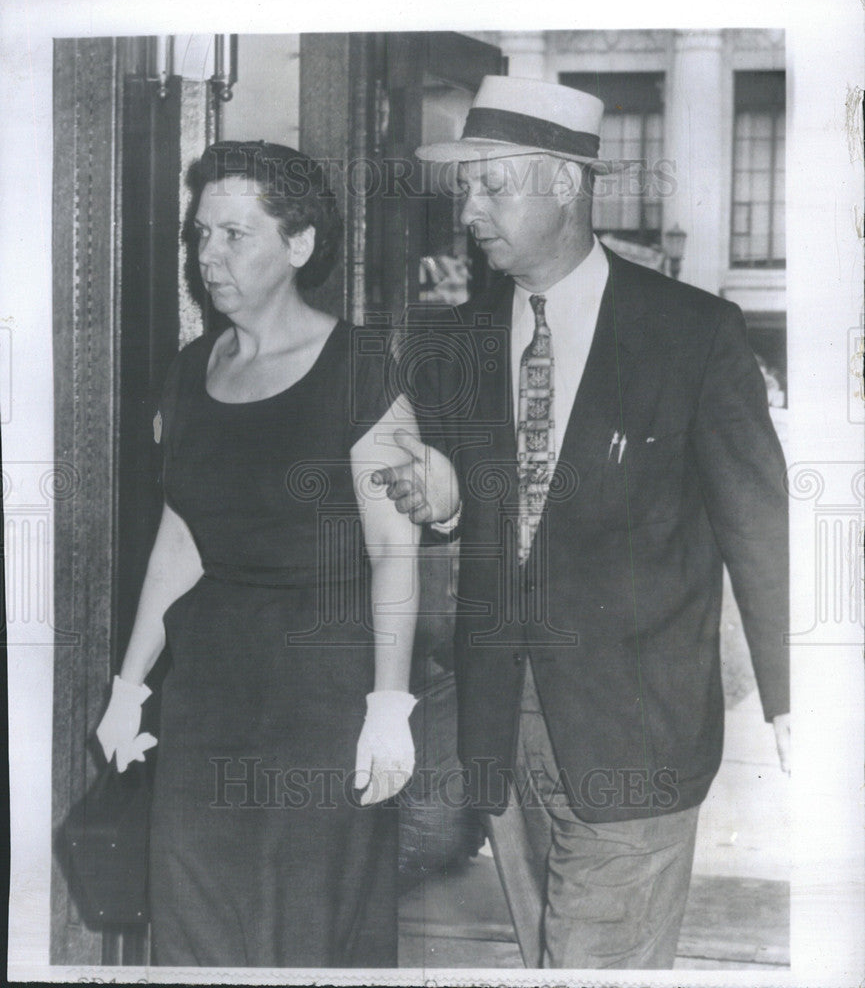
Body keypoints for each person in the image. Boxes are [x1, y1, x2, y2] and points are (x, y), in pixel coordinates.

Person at [376, 76, 790, 969]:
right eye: (465, 188)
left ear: (564, 184)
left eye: (492, 183)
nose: (471, 209)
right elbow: (446, 492)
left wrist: (792, 694)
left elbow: (758, 522)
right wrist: (438, 496)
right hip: (502, 732)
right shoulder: (453, 341)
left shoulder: (694, 334)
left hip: (637, 732)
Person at [95, 141, 420, 967]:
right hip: (208, 696)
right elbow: (181, 537)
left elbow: (394, 551)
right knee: (195, 922)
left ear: (300, 244)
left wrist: (388, 708)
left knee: (302, 933)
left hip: (320, 698)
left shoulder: (358, 368)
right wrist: (129, 687)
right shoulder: (189, 370)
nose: (208, 256)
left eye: (234, 235)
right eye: (199, 235)